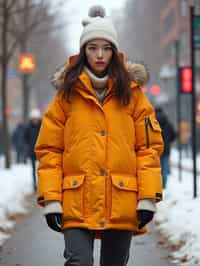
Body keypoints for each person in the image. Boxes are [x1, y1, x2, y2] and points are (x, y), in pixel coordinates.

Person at [35, 6, 163, 266]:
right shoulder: (66, 96)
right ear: (83, 51)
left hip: (121, 198)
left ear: (114, 51)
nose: (100, 55)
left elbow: (148, 148)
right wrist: (51, 199)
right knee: (78, 262)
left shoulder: (133, 95)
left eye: (106, 48)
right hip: (76, 198)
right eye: (93, 48)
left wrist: (148, 197)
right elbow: (49, 149)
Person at [155, 107, 176, 189]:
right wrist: (168, 141)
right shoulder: (168, 123)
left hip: (156, 149)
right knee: (165, 167)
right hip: (166, 149)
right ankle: (163, 185)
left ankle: (158, 184)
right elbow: (174, 135)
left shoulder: (152, 121)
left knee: (157, 167)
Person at [24, 109, 41, 191]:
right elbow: (25, 138)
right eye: (33, 119)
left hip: (41, 151)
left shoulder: (42, 127)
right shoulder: (28, 128)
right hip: (32, 152)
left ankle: (41, 184)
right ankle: (34, 184)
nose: (35, 121)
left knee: (41, 169)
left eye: (36, 119)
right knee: (33, 169)